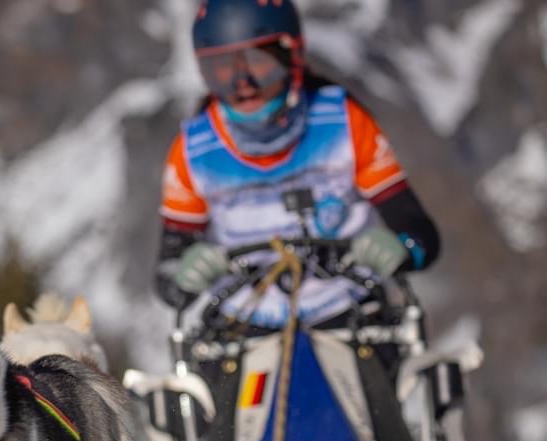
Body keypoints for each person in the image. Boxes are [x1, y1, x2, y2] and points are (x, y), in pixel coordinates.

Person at [155, 0, 441, 327]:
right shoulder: (193, 150)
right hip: (244, 326)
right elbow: (167, 273)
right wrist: (182, 276)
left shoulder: (343, 122)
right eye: (222, 69)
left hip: (349, 315)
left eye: (259, 62)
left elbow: (420, 233)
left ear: (292, 55)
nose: (243, 83)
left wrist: (402, 247)